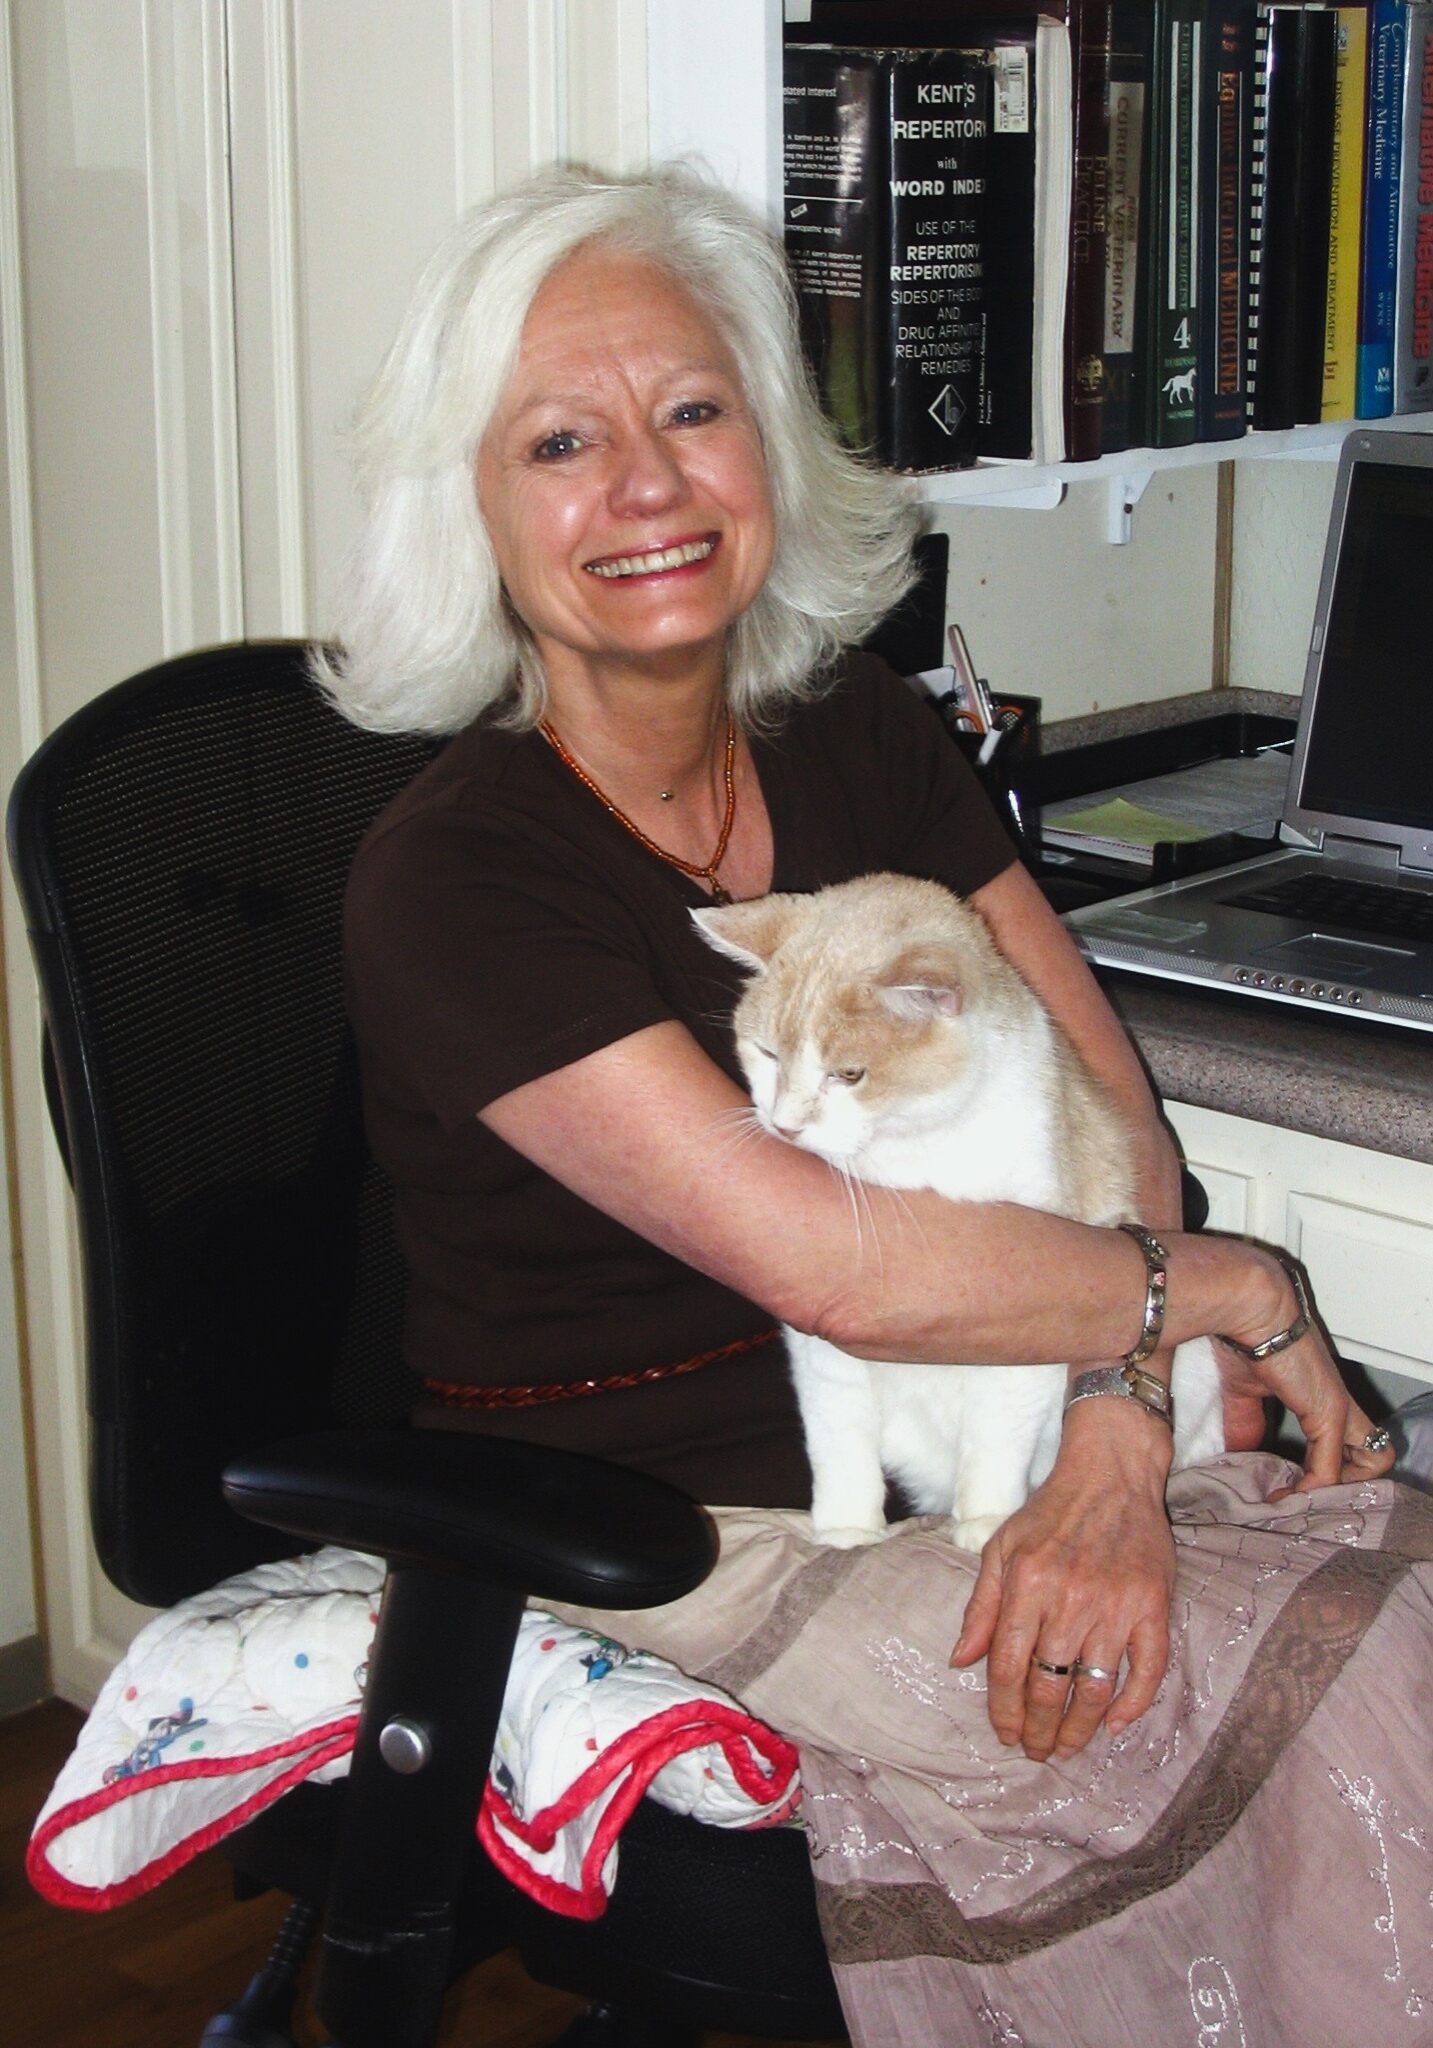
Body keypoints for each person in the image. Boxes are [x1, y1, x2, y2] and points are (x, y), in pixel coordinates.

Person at [328, 162, 1396, 1785]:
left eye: (691, 410)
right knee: (1301, 1732)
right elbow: (843, 1277)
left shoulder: (855, 724)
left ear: (765, 442)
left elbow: (1107, 1109)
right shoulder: (455, 878)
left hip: (1000, 1417)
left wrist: (1116, 1421)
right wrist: (1227, 1294)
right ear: (466, 510)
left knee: (1384, 1615)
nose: (644, 485)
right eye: (558, 441)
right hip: (672, 1520)